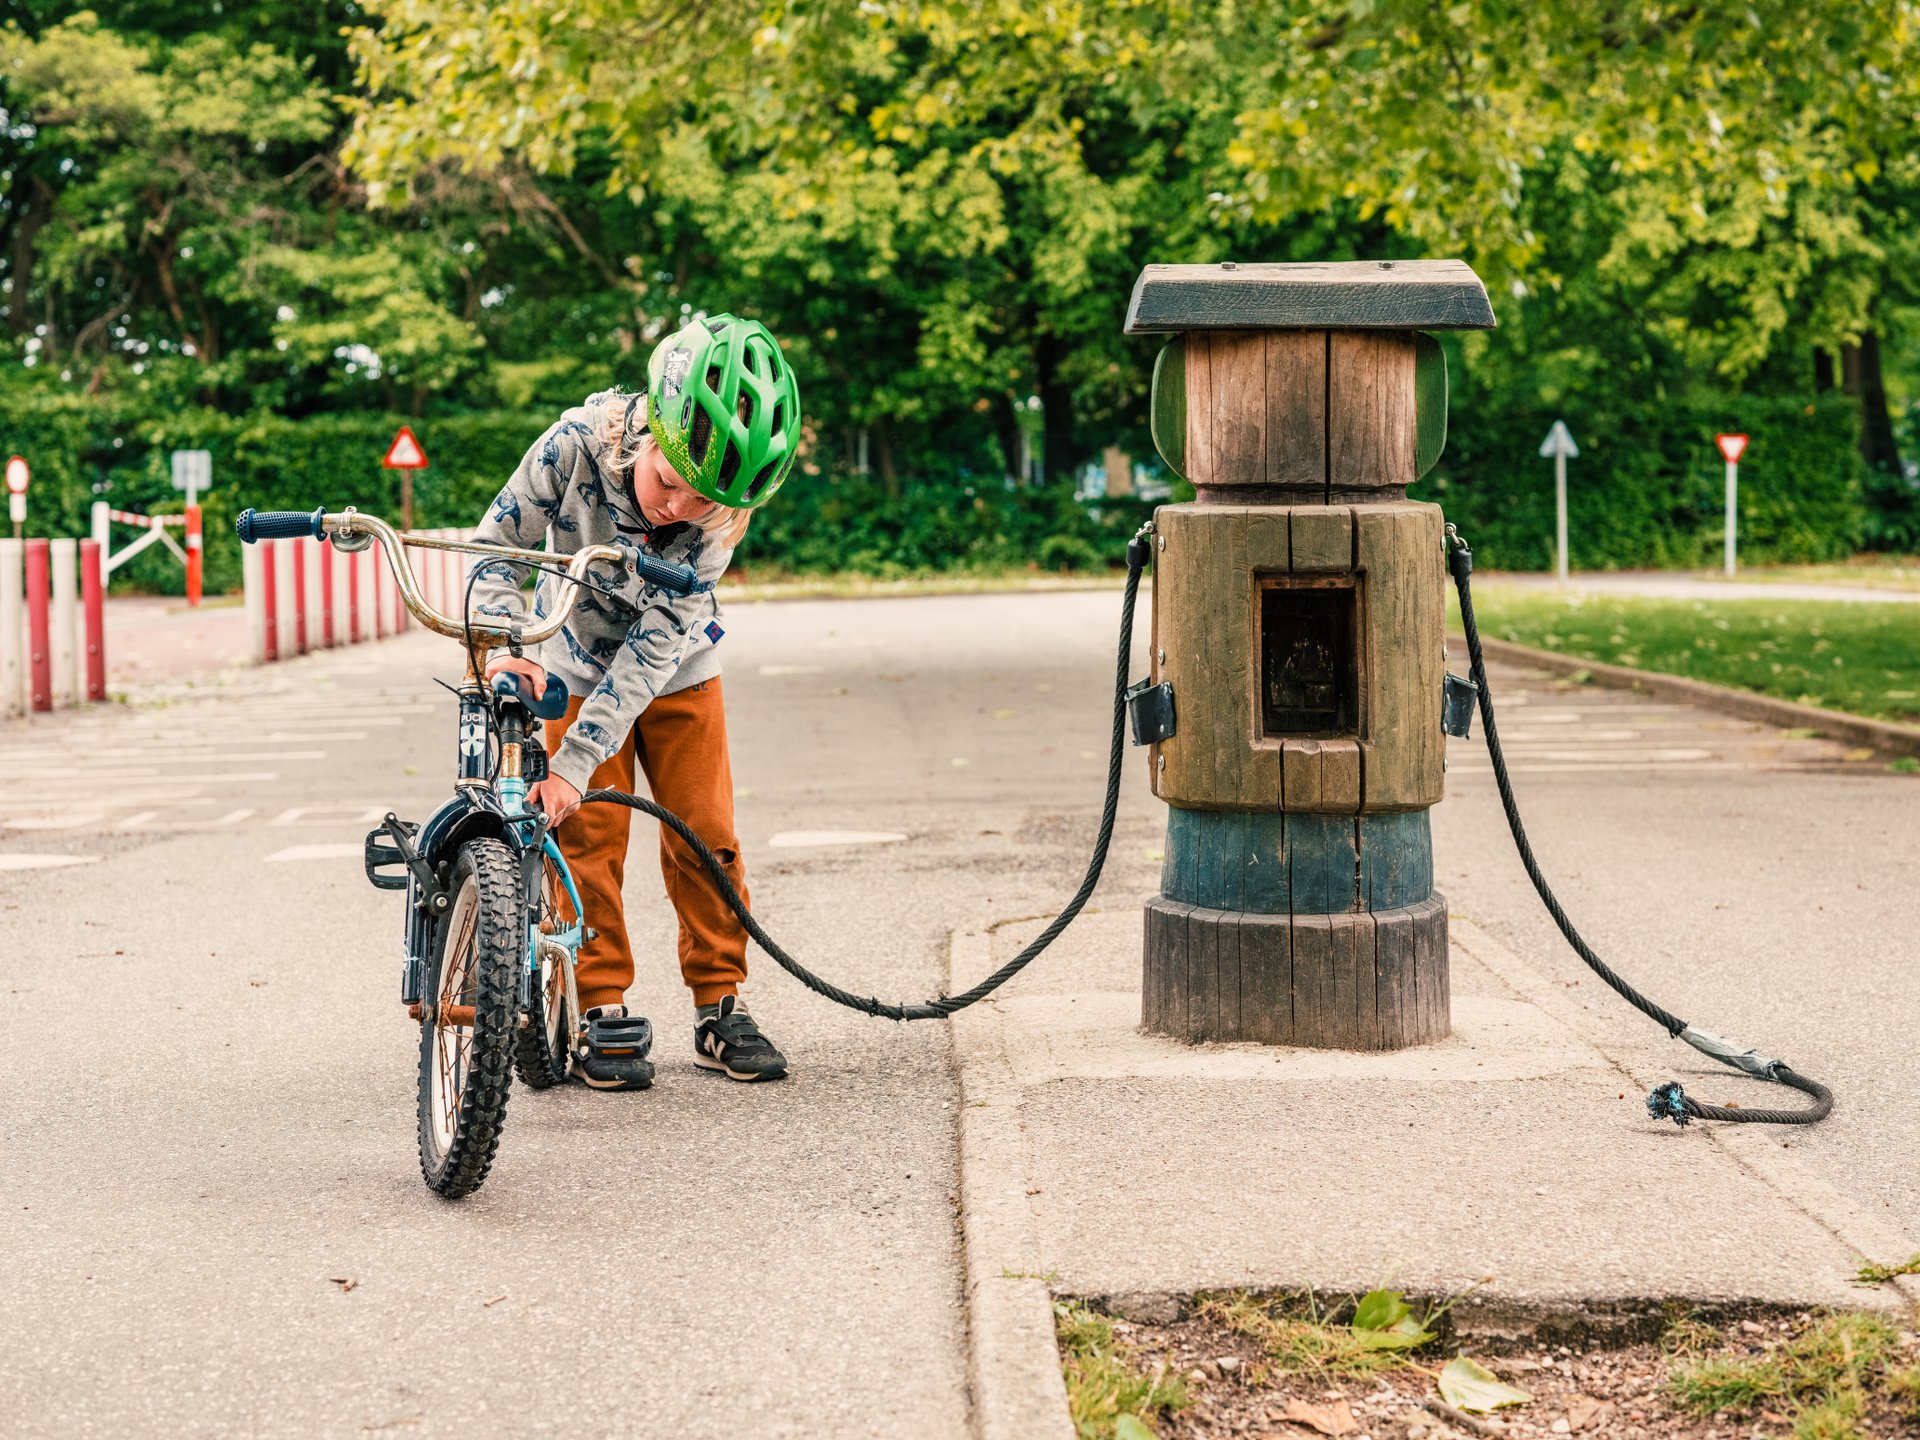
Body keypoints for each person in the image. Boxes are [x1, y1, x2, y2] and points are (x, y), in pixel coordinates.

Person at [466, 313, 801, 1090]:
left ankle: (721, 1004)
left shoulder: (714, 523)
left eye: (702, 501)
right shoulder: (573, 444)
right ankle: (601, 1008)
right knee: (583, 834)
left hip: (677, 672)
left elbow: (647, 661)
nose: (676, 509)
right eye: (669, 483)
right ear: (645, 432)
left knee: (704, 834)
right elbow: (495, 551)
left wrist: (576, 759)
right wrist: (509, 647)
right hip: (572, 660)